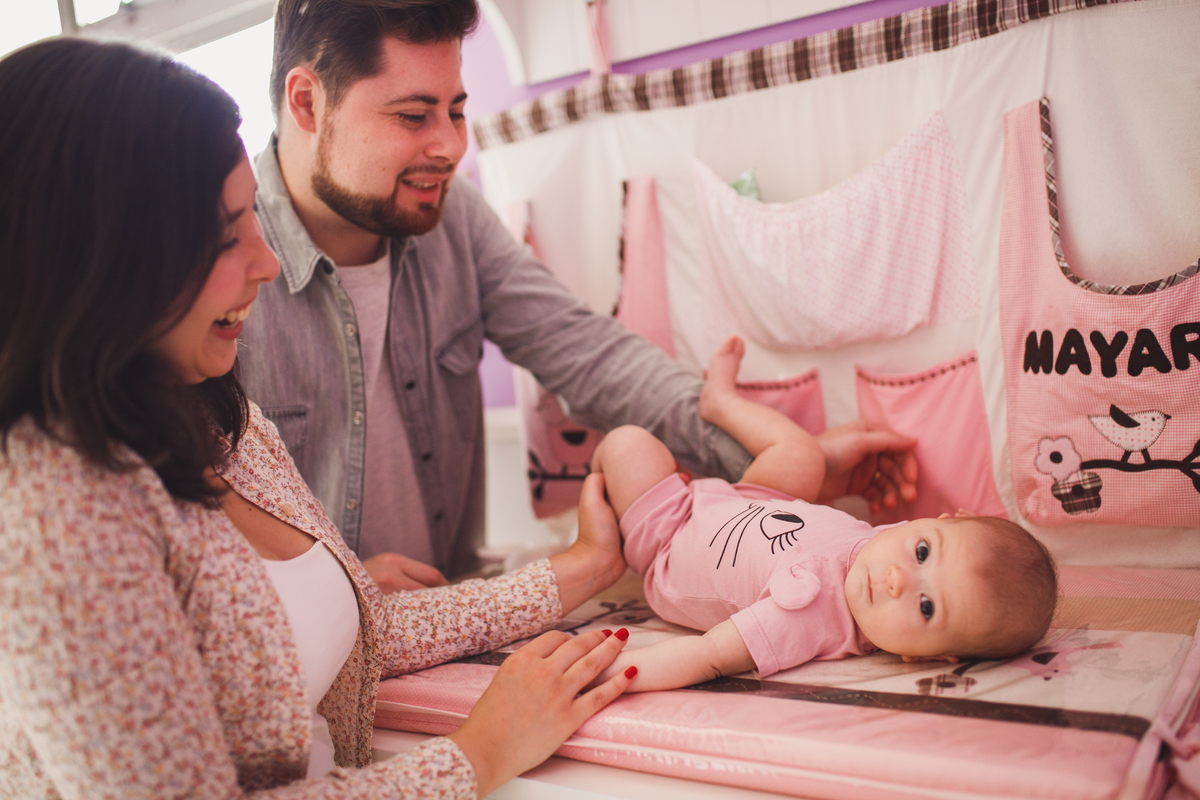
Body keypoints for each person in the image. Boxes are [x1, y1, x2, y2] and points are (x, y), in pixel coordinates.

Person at [0, 38, 637, 797]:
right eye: (223, 235)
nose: (268, 265)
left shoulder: (213, 413)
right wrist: (481, 752)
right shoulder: (57, 513)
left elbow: (365, 631)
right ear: (98, 262)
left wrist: (582, 567)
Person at [238, 0, 921, 591]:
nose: (449, 146)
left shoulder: (457, 220)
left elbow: (594, 357)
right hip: (317, 662)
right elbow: (180, 522)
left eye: (456, 109)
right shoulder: (215, 267)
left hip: (451, 623)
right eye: (413, 115)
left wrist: (787, 460)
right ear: (307, 102)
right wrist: (329, 587)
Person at [589, 336, 1058, 691]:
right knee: (803, 456)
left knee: (627, 443)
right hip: (750, 498)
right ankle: (721, 404)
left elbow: (709, 655)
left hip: (670, 539)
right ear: (939, 521)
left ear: (925, 657)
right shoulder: (886, 544)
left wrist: (610, 677)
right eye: (921, 552)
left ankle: (610, 523)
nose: (899, 579)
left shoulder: (809, 619)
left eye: (926, 607)